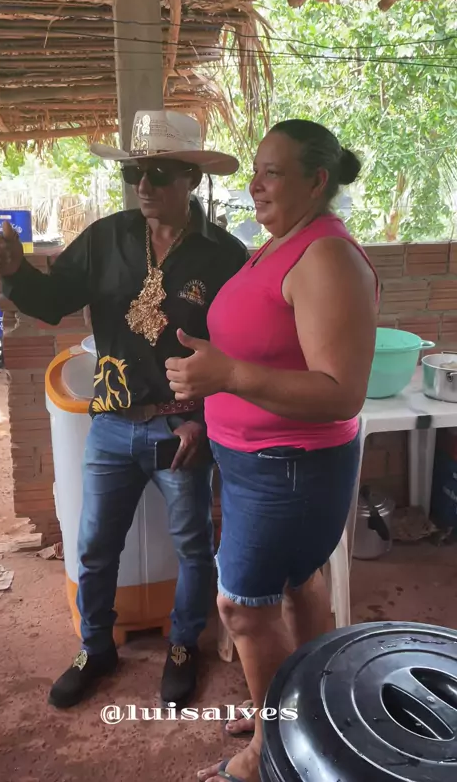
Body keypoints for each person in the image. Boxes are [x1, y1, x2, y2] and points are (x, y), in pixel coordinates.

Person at [0, 110, 248, 711]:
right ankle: (95, 647)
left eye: (159, 173)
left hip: (182, 428)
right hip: (110, 422)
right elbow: (52, 301)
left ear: (191, 179)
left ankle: (183, 646)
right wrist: (16, 271)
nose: (144, 186)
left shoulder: (225, 257)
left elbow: (240, 351)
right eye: (135, 174)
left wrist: (204, 422)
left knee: (193, 546)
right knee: (96, 546)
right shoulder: (106, 239)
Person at [165, 119, 378, 782]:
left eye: (273, 172)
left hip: (288, 468)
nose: (256, 185)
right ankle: (302, 713)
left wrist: (227, 375)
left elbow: (341, 392)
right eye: (255, 171)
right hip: (264, 463)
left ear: (317, 181)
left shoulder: (327, 257)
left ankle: (268, 753)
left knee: (241, 608)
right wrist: (216, 372)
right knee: (298, 585)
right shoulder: (281, 245)